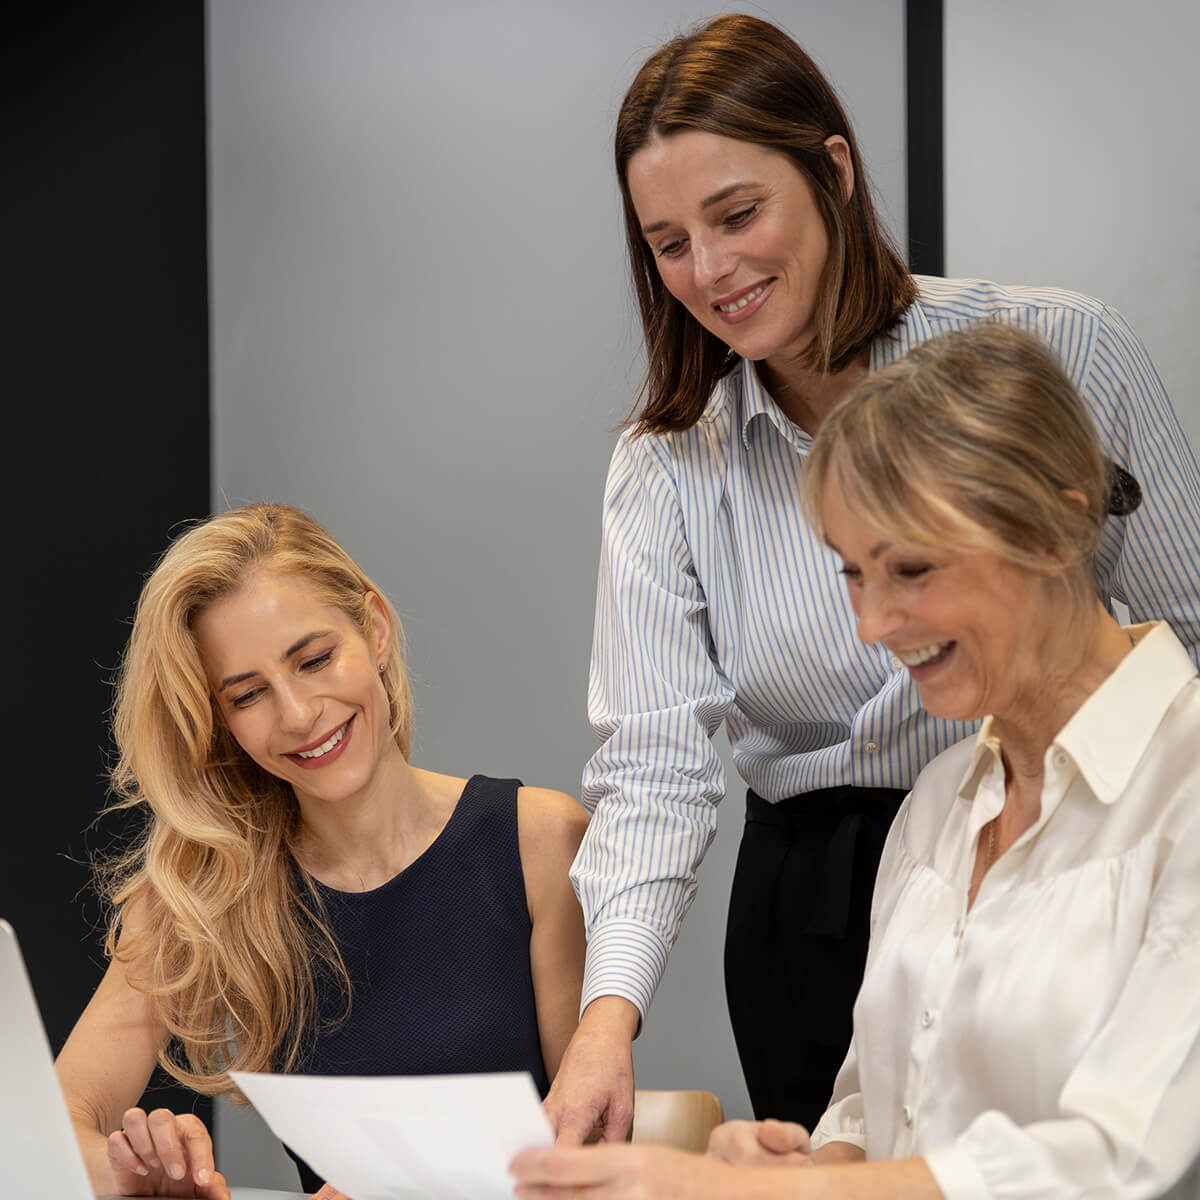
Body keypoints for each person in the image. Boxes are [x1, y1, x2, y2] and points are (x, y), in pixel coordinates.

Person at [544, 12, 1200, 1143]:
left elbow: (1186, 631)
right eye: (668, 243)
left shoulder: (1054, 350)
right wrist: (607, 1021)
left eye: (737, 215)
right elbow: (654, 765)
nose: (712, 270)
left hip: (1066, 842)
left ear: (834, 172)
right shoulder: (669, 460)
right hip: (820, 897)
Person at [512, 323, 1200, 1198]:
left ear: (1057, 529)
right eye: (852, 575)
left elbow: (1121, 1157)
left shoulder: (1183, 789)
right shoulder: (939, 802)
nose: (872, 626)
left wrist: (771, 1195)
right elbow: (870, 1109)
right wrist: (812, 1163)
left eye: (910, 570)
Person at [55, 503, 588, 1199]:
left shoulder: (541, 842)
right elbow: (50, 1132)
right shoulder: (203, 890)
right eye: (249, 695)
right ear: (221, 722)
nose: (299, 715)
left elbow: (595, 1159)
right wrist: (134, 1171)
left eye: (314, 660)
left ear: (375, 629)